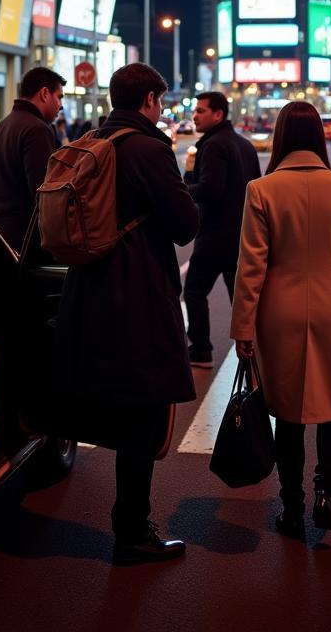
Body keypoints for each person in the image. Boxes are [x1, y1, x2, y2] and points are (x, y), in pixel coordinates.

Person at [53, 63, 199, 565]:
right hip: (136, 291)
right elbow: (184, 226)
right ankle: (132, 530)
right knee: (144, 411)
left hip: (89, 288)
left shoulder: (93, 142)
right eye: (160, 99)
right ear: (150, 101)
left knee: (108, 402)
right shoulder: (150, 149)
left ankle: (129, 522)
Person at [230, 101, 331, 541]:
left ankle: (291, 506)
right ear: (317, 136)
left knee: (288, 413)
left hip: (280, 311)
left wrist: (242, 328)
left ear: (279, 137)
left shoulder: (262, 190)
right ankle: (325, 493)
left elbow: (250, 267)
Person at [182, 91, 261, 368]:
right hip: (241, 235)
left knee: (193, 291)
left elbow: (210, 190)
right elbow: (257, 188)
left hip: (214, 233)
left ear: (218, 114)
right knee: (238, 297)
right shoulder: (244, 144)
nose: (195, 115)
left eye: (201, 110)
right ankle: (253, 350)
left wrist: (182, 189)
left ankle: (201, 350)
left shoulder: (214, 145)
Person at [0, 67, 65, 253]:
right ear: (44, 94)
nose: (61, 105)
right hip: (28, 242)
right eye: (59, 97)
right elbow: (43, 192)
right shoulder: (37, 129)